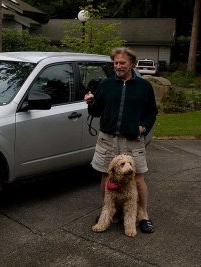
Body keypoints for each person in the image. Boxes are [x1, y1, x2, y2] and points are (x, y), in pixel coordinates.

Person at [84, 47, 158, 234]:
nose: (118, 66)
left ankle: (143, 216)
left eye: (122, 63)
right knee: (104, 175)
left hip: (132, 140)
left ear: (131, 63)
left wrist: (144, 127)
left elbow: (151, 112)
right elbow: (96, 111)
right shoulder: (106, 85)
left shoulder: (144, 86)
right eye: (115, 63)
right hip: (107, 139)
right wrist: (90, 102)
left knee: (139, 178)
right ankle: (110, 212)